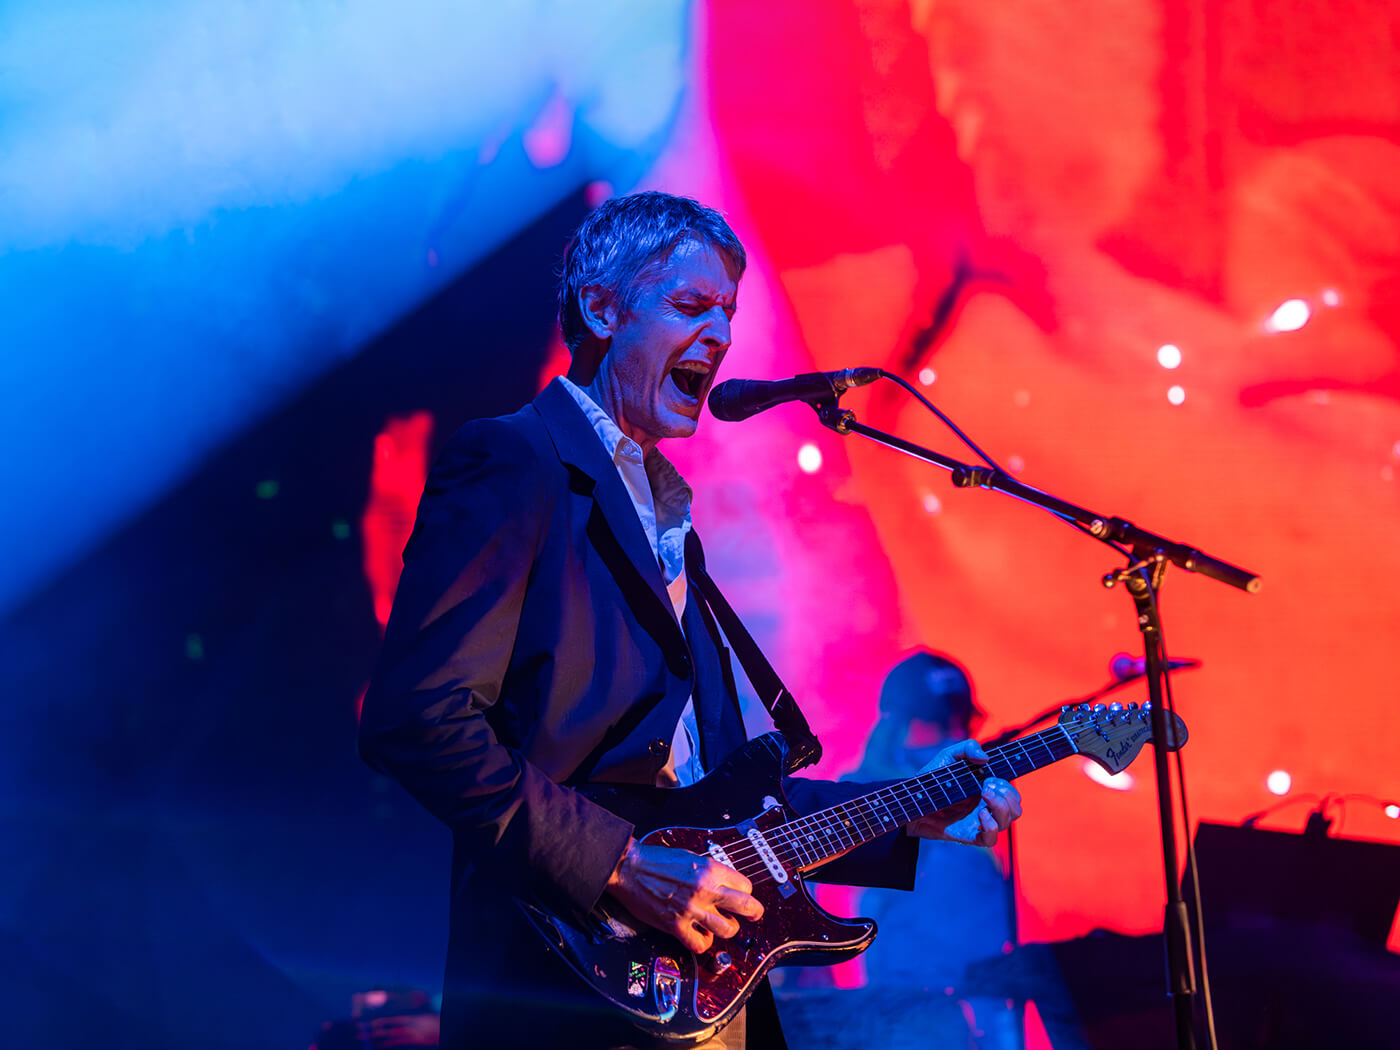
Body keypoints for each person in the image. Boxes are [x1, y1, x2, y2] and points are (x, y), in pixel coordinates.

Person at [357, 191, 1022, 1049]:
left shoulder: (670, 519)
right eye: (691, 306)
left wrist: (915, 809)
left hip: (706, 988)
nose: (721, 336)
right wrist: (620, 866)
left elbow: (720, 801)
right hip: (563, 982)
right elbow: (417, 719)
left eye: (730, 315)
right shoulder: (514, 462)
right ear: (600, 308)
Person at [847, 650, 1019, 1049]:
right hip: (901, 1012)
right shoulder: (852, 804)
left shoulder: (970, 796)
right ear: (895, 727)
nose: (954, 736)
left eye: (962, 723)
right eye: (936, 724)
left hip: (982, 998)